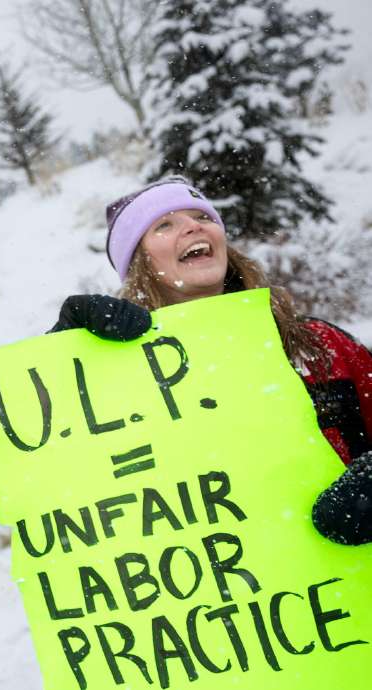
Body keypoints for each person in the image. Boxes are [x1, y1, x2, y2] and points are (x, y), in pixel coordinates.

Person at [50, 176, 372, 543]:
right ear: (139, 263)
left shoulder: (320, 346)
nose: (192, 226)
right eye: (164, 224)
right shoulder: (119, 380)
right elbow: (67, 476)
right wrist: (63, 356)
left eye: (201, 217)